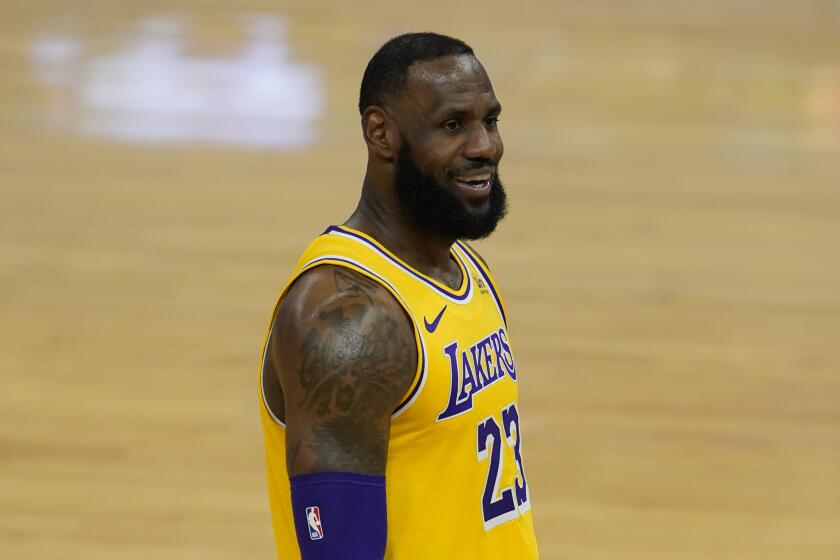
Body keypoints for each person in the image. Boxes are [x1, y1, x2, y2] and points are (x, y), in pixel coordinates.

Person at [259, 32, 539, 559]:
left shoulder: (462, 269)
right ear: (380, 133)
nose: (485, 147)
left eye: (490, 121)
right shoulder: (350, 321)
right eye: (453, 126)